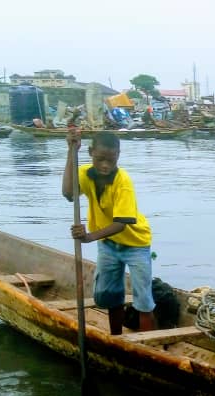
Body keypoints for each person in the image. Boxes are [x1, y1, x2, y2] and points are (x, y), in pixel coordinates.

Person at [61, 129, 156, 335]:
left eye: (110, 160)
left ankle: (150, 343)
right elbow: (68, 193)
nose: (105, 165)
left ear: (118, 157)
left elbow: (122, 223)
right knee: (110, 295)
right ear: (91, 152)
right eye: (100, 159)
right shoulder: (85, 174)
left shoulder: (123, 181)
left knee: (143, 297)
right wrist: (71, 152)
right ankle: (116, 338)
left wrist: (88, 237)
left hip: (136, 244)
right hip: (108, 244)